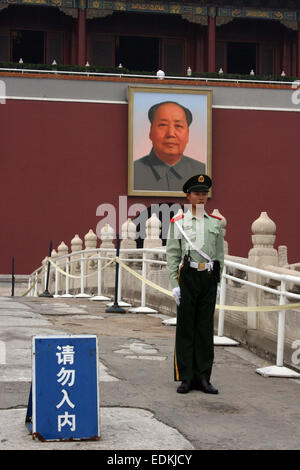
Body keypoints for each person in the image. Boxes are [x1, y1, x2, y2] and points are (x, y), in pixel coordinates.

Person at [166, 174, 224, 394]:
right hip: (188, 277)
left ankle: (204, 377)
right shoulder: (178, 223)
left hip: (208, 278)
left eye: (204, 194)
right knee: (186, 328)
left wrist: (218, 282)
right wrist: (174, 284)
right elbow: (172, 255)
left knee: (205, 328)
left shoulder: (216, 224)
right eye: (197, 194)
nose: (201, 197)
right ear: (188, 196)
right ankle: (186, 377)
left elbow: (219, 256)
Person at [134, 101, 205, 191]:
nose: (171, 133)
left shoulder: (203, 172)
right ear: (151, 132)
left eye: (178, 126)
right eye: (163, 125)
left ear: (187, 135)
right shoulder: (132, 173)